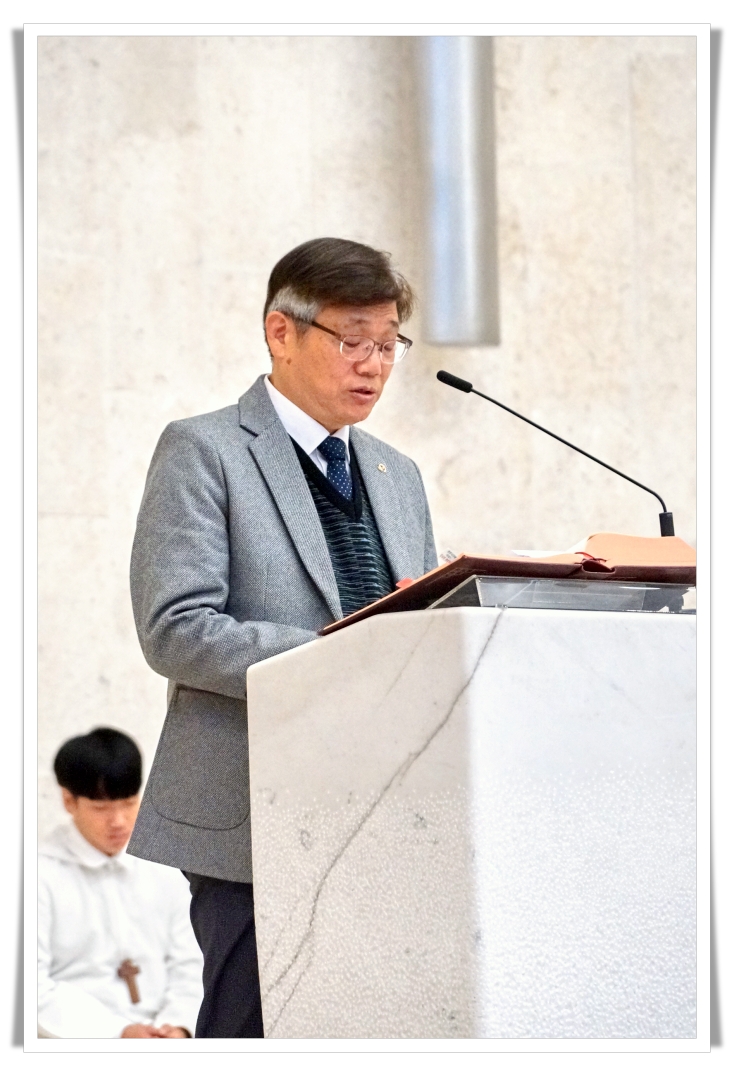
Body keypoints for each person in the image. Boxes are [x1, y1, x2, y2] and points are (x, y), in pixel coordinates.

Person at [127, 237, 438, 1037]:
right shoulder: (205, 449)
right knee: (251, 1033)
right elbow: (175, 627)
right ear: (281, 332)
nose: (374, 365)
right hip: (254, 813)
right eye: (353, 340)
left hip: (381, 809)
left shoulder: (398, 474)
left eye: (389, 344)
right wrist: (341, 656)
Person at [38, 728, 204, 1039]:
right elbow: (30, 987)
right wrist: (119, 1034)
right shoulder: (37, 876)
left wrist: (179, 1026)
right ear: (69, 800)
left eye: (128, 803)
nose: (118, 821)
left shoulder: (166, 866)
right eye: (100, 808)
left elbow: (192, 962)